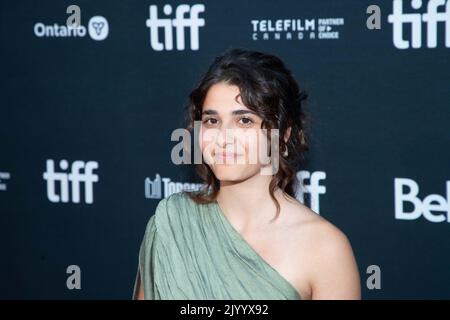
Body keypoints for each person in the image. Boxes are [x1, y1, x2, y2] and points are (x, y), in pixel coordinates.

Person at [133, 48, 361, 300]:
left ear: (283, 134)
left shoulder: (325, 248)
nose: (223, 138)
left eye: (244, 121)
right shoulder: (172, 224)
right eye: (212, 121)